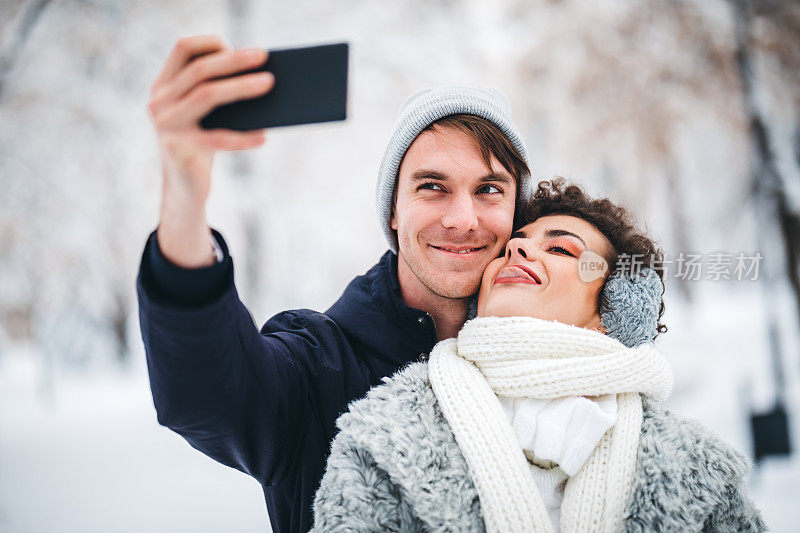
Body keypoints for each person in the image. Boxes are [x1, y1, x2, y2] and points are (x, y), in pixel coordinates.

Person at [137, 34, 532, 533]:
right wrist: (184, 194)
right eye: (432, 186)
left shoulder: (547, 359)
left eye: (489, 189)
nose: (463, 218)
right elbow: (208, 393)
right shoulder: (316, 368)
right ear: (392, 209)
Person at [312, 179, 766, 532]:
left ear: (614, 308)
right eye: (517, 242)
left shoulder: (696, 473)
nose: (518, 247)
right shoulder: (384, 439)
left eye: (560, 248)